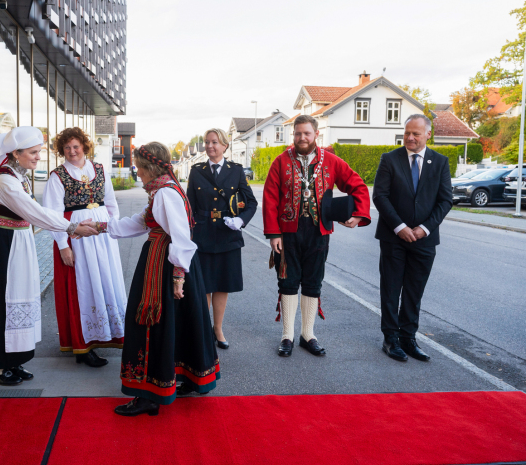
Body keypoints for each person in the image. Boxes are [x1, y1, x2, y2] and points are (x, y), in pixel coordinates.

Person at [0, 127, 99, 386]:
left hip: (16, 242)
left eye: (39, 152)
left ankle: (13, 359)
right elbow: (35, 212)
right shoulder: (5, 181)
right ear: (16, 153)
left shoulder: (17, 176)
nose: (38, 157)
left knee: (19, 296)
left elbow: (33, 213)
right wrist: (71, 227)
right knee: (0, 301)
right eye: (33, 153)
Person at [90, 142, 220, 416]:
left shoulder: (164, 193)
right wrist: (100, 227)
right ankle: (182, 379)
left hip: (166, 263)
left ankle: (149, 394)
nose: (137, 172)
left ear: (150, 167)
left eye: (138, 166)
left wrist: (177, 276)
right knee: (179, 322)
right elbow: (140, 222)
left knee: (151, 323)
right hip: (171, 261)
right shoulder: (164, 189)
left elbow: (181, 236)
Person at [263, 115, 371, 358]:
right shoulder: (280, 162)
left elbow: (358, 186)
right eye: (298, 133)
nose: (302, 138)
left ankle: (307, 334)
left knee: (313, 282)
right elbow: (270, 198)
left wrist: (358, 214)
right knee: (288, 283)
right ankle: (287, 336)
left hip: (319, 232)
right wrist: (273, 233)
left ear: (316, 134)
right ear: (294, 135)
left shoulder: (332, 161)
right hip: (288, 234)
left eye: (307, 133)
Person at [41, 127, 126, 367]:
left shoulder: (99, 170)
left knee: (105, 282)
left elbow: (112, 204)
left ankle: (107, 334)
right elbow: (52, 214)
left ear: (84, 147)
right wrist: (62, 245)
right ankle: (83, 345)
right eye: (67, 148)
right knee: (83, 287)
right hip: (75, 238)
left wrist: (112, 229)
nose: (72, 151)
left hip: (101, 235)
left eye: (76, 146)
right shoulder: (58, 176)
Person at [373, 114, 452, 362]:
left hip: (424, 241)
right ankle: (390, 340)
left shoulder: (439, 162)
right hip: (393, 237)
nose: (410, 137)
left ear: (428, 134)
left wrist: (424, 229)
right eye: (407, 132)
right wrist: (400, 227)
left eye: (416, 134)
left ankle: (409, 338)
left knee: (414, 291)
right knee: (391, 289)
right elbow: (380, 196)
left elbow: (445, 200)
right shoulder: (390, 159)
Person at [186, 128, 257, 348]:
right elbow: (189, 205)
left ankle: (218, 329)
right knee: (203, 285)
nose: (210, 146)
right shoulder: (197, 170)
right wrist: (187, 233)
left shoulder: (235, 171)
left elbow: (251, 202)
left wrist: (241, 221)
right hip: (203, 234)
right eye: (207, 142)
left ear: (225, 146)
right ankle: (202, 330)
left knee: (222, 285)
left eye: (214, 142)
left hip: (227, 234)